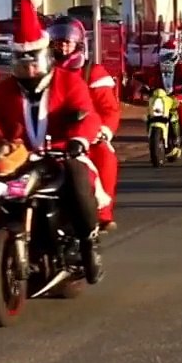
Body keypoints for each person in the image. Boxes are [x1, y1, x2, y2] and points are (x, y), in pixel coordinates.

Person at [0, 0, 112, 283]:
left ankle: (88, 243)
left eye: (34, 60)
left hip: (61, 152)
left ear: (46, 56)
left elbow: (89, 116)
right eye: (22, 61)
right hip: (20, 156)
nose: (29, 68)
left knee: (80, 178)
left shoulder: (69, 82)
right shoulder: (4, 90)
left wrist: (78, 140)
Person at [47, 15, 122, 231]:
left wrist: (103, 131)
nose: (61, 45)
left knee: (105, 157)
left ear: (78, 43)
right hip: (49, 132)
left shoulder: (92, 72)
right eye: (57, 40)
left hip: (87, 134)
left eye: (66, 40)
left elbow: (108, 108)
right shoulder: (41, 72)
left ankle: (102, 213)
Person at [134, 46, 182, 142]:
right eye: (163, 56)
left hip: (176, 95)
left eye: (168, 56)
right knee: (151, 106)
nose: (166, 60)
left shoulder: (181, 68)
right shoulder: (157, 68)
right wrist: (142, 83)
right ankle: (151, 126)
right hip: (160, 95)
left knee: (181, 105)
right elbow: (147, 77)